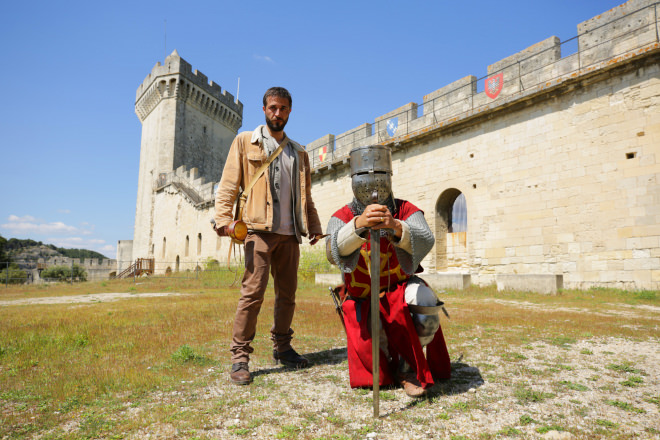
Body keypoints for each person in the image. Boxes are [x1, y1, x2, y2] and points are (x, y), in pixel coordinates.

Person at [214, 87, 324, 385]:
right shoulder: (244, 141)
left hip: (290, 235)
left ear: (290, 111)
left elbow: (306, 197)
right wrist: (223, 220)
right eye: (273, 107)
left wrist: (313, 225)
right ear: (264, 109)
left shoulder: (299, 152)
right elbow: (227, 185)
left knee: (287, 296)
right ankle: (240, 357)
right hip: (257, 232)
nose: (278, 113)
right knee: (252, 295)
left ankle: (283, 348)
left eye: (284, 108)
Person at [326, 145, 451, 397]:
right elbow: (331, 252)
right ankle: (388, 364)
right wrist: (358, 226)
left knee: (426, 306)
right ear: (354, 180)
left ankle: (407, 369)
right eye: (363, 177)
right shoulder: (343, 216)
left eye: (379, 176)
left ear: (389, 177)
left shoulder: (405, 210)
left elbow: (426, 239)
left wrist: (396, 226)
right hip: (363, 299)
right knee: (376, 370)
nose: (372, 184)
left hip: (400, 292)